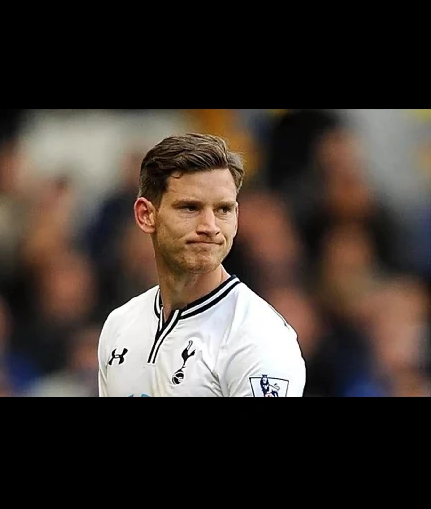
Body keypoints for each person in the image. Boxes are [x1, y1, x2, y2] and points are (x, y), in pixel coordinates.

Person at [98, 133, 306, 397]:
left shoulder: (258, 338)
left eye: (223, 210)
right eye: (190, 208)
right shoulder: (119, 326)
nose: (210, 227)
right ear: (146, 215)